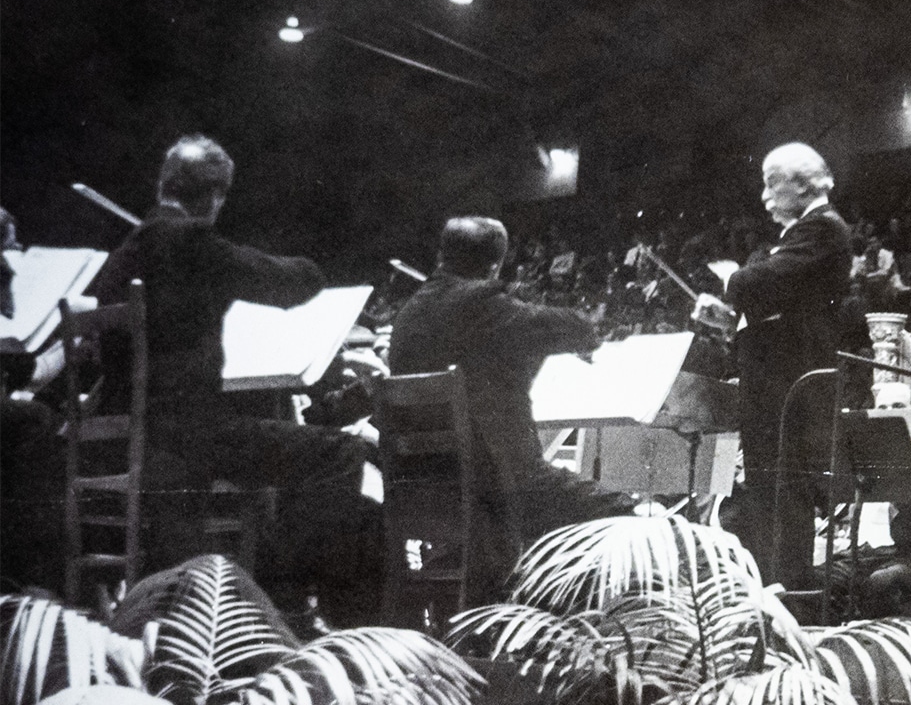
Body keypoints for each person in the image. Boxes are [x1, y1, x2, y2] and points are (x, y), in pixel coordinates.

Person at [89, 135, 379, 628]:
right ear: (216, 198)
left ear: (164, 185)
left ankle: (272, 586)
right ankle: (290, 598)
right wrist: (310, 263)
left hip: (124, 438)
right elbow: (292, 284)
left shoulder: (125, 253)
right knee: (338, 454)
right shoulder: (190, 242)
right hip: (187, 438)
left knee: (277, 446)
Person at [388, 216, 638, 602]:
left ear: (441, 255)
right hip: (496, 484)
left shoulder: (408, 315)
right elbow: (579, 329)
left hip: (424, 484)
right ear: (495, 265)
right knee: (623, 512)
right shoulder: (482, 305)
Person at [708, 142, 853, 588]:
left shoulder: (822, 228)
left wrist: (732, 278)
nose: (765, 196)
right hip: (777, 380)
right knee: (770, 494)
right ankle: (774, 589)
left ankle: (787, 596)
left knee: (782, 494)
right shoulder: (800, 235)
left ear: (805, 183)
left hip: (791, 382)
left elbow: (762, 280)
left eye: (774, 182)